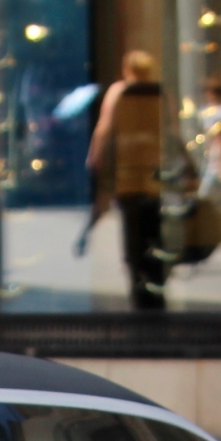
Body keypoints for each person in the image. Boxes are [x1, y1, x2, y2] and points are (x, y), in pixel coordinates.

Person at [87, 51, 168, 310]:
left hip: (128, 176)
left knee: (134, 240)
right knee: (154, 234)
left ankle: (140, 291)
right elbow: (171, 128)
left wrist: (95, 157)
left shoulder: (119, 92)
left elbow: (105, 128)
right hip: (155, 175)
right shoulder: (161, 93)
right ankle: (156, 291)